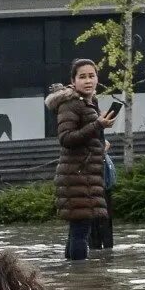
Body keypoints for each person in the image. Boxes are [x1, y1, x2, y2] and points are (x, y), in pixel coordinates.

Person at [46, 58, 114, 261]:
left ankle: (74, 277)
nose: (88, 80)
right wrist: (98, 126)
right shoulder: (71, 104)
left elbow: (85, 138)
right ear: (73, 81)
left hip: (84, 174)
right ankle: (80, 280)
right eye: (82, 77)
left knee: (77, 232)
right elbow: (66, 138)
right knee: (80, 233)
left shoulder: (89, 102)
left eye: (91, 76)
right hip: (77, 176)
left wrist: (101, 144)